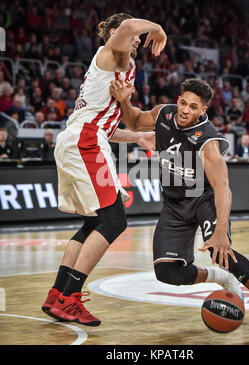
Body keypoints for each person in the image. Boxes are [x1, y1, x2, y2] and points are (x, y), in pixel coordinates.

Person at [109, 77, 249, 339]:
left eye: (193, 106)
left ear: (203, 111)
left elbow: (223, 187)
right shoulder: (164, 114)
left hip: (204, 199)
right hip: (174, 204)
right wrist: (124, 101)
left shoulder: (207, 140)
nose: (186, 109)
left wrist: (221, 229)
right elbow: (133, 121)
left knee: (223, 253)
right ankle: (221, 278)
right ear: (178, 100)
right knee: (166, 271)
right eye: (183, 102)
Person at [42, 13, 167, 327]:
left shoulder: (117, 66)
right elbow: (127, 27)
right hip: (84, 142)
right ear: (114, 33)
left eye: (142, 36)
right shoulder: (111, 54)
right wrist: (157, 27)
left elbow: (104, 126)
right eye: (135, 35)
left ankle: (57, 294)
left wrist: (137, 137)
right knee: (113, 220)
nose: (138, 39)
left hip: (79, 138)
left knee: (93, 223)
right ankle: (70, 298)